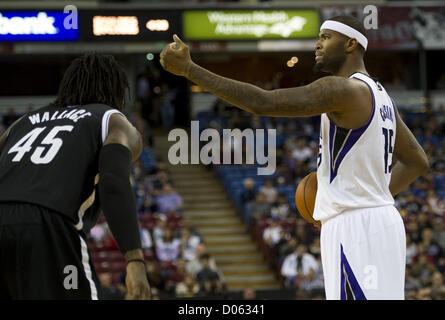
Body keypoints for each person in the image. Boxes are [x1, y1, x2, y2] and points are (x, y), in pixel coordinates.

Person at [160, 15, 429, 300]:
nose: (317, 44)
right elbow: (417, 161)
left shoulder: (342, 89)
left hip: (356, 228)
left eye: (326, 37)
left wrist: (190, 70)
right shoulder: (382, 96)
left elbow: (262, 102)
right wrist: (365, 194)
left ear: (351, 43)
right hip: (383, 222)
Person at [0, 53, 150, 299]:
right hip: (47, 223)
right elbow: (113, 183)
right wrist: (134, 258)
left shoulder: (22, 123)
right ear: (116, 90)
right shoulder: (110, 119)